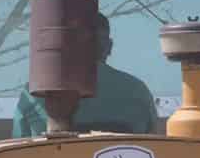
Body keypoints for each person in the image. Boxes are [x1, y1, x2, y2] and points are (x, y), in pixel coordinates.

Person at [11, 12, 160, 137]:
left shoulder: (35, 91)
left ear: (64, 46)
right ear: (108, 47)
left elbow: (14, 152)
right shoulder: (138, 91)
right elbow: (153, 145)